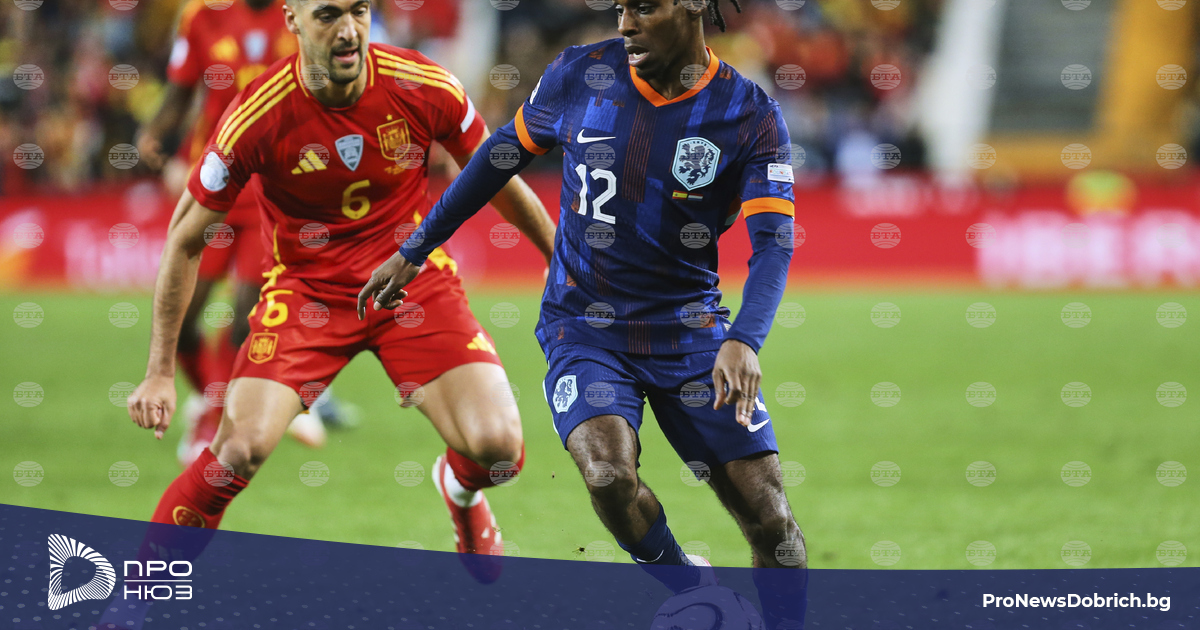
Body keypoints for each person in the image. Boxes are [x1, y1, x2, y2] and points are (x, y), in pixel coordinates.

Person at [360, 0, 806, 626]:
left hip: (690, 331)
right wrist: (416, 248)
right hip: (584, 326)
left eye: (643, 7)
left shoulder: (749, 113)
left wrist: (745, 340)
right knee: (606, 472)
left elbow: (773, 243)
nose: (625, 23)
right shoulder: (580, 74)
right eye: (620, 8)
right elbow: (498, 156)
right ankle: (691, 587)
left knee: (770, 517)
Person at [125, 0, 555, 584]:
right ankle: (136, 596)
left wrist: (560, 261)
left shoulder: (425, 85)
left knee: (499, 450)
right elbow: (183, 240)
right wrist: (157, 370)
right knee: (237, 451)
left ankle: (460, 490)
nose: (349, 29)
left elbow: (494, 172)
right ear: (293, 21)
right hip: (307, 294)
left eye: (359, 10)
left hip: (410, 280)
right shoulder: (255, 115)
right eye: (328, 14)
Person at [136, 0, 329, 465]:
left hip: (276, 186)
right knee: (183, 318)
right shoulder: (202, 15)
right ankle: (219, 398)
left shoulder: (303, 12)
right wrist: (154, 134)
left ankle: (219, 417)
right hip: (216, 180)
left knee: (247, 317)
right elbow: (181, 91)